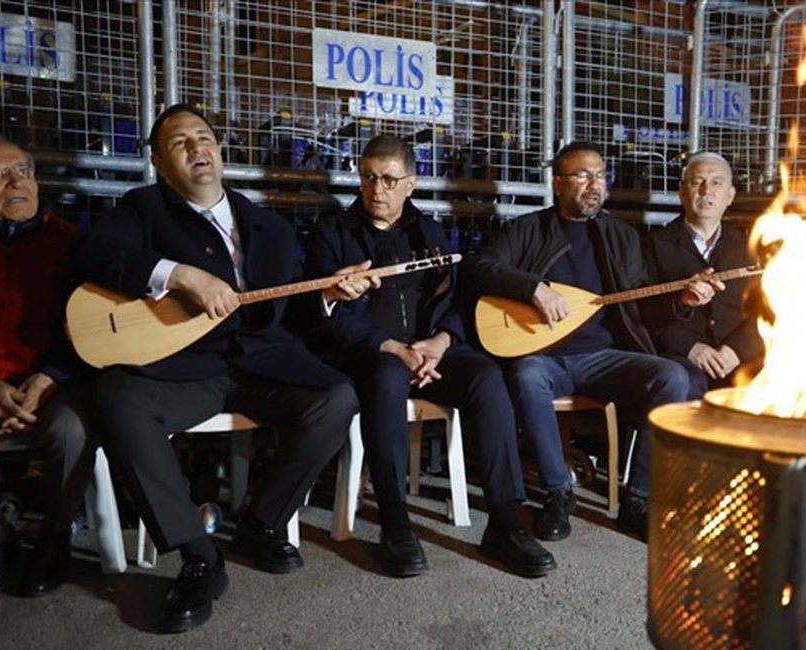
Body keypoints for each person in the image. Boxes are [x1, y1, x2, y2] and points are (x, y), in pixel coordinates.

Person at [73, 104, 365, 633]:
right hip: (186, 368)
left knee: (337, 397)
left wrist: (329, 295)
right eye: (180, 143)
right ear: (161, 163)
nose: (196, 149)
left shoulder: (270, 225)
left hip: (261, 363)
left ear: (220, 150)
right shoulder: (142, 209)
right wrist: (178, 274)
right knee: (117, 396)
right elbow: (92, 253)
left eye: (203, 138)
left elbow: (292, 315)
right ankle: (197, 552)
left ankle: (262, 522)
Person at [304, 134, 555, 578]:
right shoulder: (334, 233)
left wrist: (440, 342)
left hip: (428, 352)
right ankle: (395, 522)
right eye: (367, 177)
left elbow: (458, 301)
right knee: (384, 378)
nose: (375, 189)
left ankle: (504, 521)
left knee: (485, 376)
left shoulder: (431, 233)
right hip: (370, 352)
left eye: (387, 179)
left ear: (412, 183)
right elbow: (324, 315)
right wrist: (394, 349)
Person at [467, 141, 712, 541]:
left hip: (607, 357)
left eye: (600, 176)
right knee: (527, 376)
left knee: (673, 377)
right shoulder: (527, 229)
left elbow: (641, 307)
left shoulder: (621, 237)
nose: (594, 185)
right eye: (582, 175)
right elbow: (479, 268)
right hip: (545, 356)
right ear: (558, 183)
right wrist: (532, 288)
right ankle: (558, 493)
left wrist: (683, 301)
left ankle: (637, 499)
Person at [0, 136, 92, 597]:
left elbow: (92, 327)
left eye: (24, 171)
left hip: (54, 379)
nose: (15, 183)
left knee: (70, 427)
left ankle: (54, 538)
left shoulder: (72, 243)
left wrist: (48, 377)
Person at [641, 152, 763, 400]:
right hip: (681, 358)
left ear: (730, 196)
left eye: (716, 183)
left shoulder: (751, 246)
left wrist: (736, 350)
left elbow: (768, 309)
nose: (706, 191)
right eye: (697, 182)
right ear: (682, 192)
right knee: (684, 382)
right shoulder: (653, 244)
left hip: (738, 357)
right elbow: (640, 311)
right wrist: (689, 348)